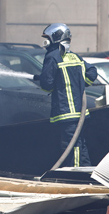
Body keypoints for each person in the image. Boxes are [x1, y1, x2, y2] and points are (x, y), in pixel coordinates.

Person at [39, 23, 97, 168]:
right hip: (79, 113)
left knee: (71, 147)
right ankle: (86, 171)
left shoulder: (52, 57)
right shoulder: (74, 57)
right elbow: (92, 72)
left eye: (47, 38)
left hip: (66, 113)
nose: (45, 42)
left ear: (55, 38)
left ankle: (76, 174)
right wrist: (81, 84)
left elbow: (46, 84)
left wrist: (47, 80)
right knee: (79, 145)